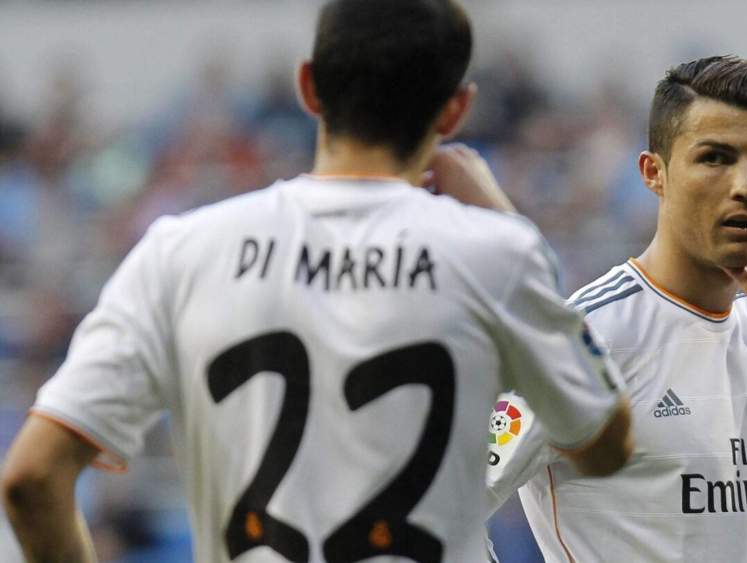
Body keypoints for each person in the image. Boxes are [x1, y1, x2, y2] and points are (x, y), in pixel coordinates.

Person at [0, 1, 635, 562]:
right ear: (457, 109)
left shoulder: (181, 251)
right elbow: (605, 442)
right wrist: (511, 226)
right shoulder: (495, 252)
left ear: (307, 87)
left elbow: (30, 477)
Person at [485, 55, 747, 562]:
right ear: (654, 173)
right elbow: (436, 503)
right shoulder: (578, 341)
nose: (745, 186)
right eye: (715, 158)